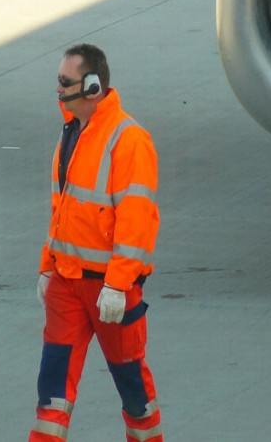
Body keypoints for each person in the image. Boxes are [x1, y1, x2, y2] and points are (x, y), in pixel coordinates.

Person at [30, 44, 163, 441]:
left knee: (133, 391)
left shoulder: (129, 140)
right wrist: (47, 264)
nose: (57, 90)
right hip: (67, 284)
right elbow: (61, 208)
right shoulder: (73, 133)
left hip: (111, 291)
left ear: (92, 87)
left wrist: (118, 285)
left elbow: (136, 222)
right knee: (52, 394)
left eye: (64, 82)